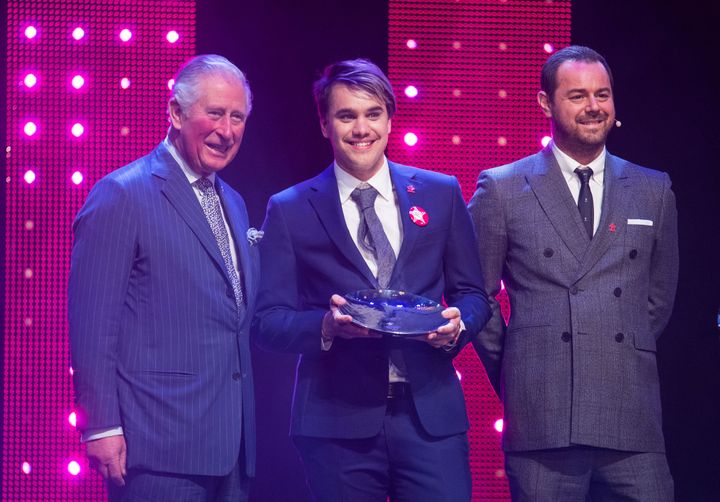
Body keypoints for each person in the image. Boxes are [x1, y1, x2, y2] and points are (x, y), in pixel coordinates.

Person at [252, 58, 491, 501]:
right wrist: (325, 326)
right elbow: (267, 320)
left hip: (430, 421)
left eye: (372, 114)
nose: (361, 128)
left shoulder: (441, 193)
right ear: (325, 124)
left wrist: (458, 326)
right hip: (335, 423)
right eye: (346, 116)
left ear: (389, 118)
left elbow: (474, 294)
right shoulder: (289, 208)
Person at [469, 45, 679, 501]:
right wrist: (519, 370)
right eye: (578, 95)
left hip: (631, 409)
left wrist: (614, 346)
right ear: (545, 103)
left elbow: (657, 298)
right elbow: (475, 295)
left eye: (602, 95)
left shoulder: (652, 187)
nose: (593, 107)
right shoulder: (501, 187)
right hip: (544, 415)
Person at [68, 54, 259, 501]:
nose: (226, 130)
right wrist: (101, 425)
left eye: (237, 117)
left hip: (230, 448)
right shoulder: (123, 194)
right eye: (214, 113)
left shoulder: (233, 201)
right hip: (157, 450)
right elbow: (93, 325)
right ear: (175, 112)